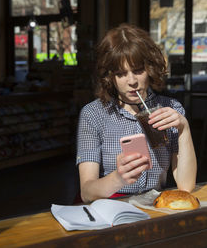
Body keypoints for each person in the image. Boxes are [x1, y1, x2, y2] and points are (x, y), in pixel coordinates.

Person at [76, 24, 197, 203]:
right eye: (121, 73)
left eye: (138, 70)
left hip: (154, 205)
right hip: (110, 208)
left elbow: (186, 186)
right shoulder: (93, 114)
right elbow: (86, 192)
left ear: (150, 69)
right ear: (110, 77)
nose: (132, 81)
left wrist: (183, 128)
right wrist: (118, 178)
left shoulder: (171, 109)